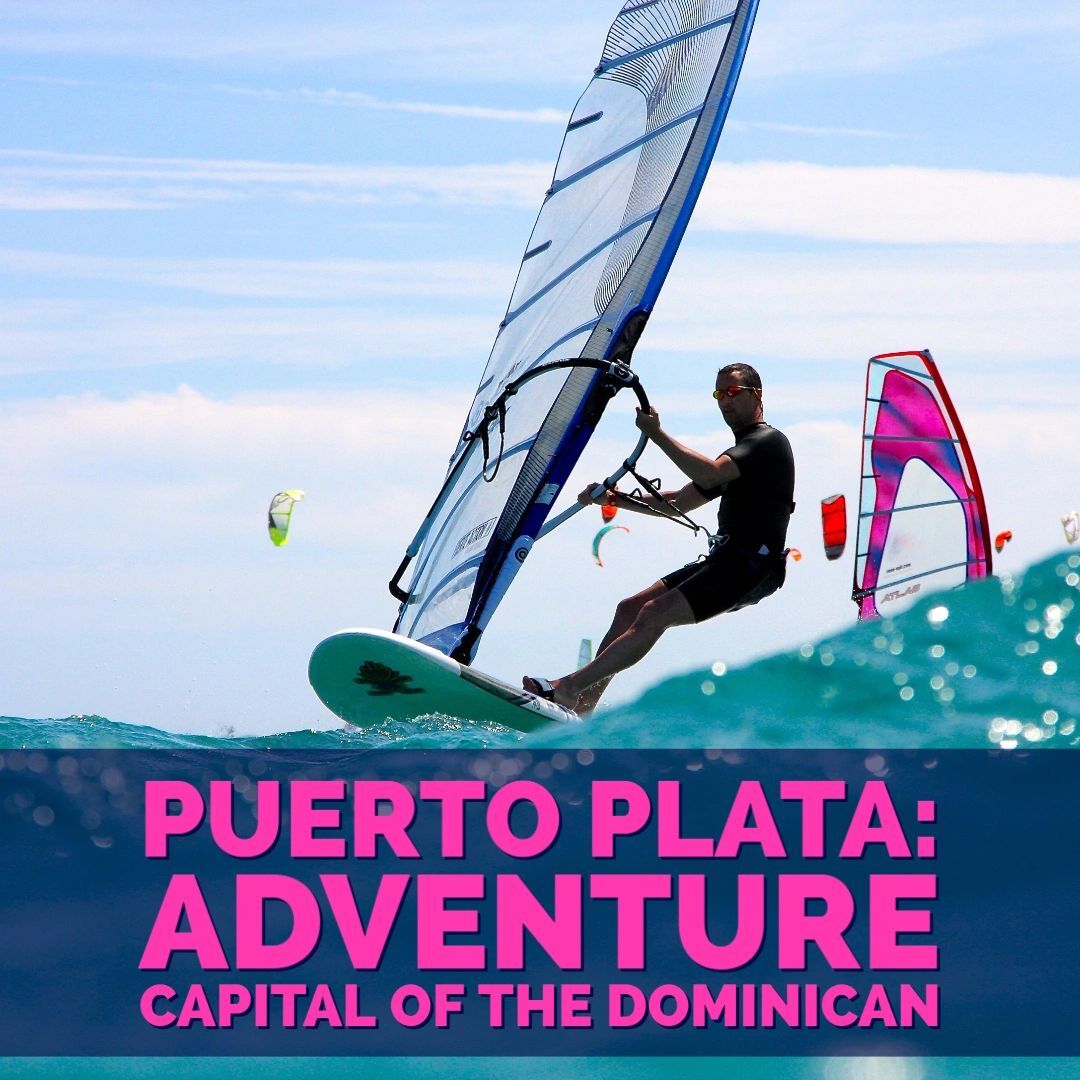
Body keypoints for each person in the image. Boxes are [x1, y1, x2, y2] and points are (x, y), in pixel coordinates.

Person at [524, 362, 794, 714]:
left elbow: (710, 475)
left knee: (654, 613)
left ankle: (568, 687)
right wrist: (615, 499)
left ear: (756, 394)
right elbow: (680, 502)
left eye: (733, 393)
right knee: (630, 609)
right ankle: (584, 708)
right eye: (718, 394)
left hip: (752, 566)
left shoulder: (767, 443)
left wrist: (656, 434)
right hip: (727, 560)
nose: (725, 402)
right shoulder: (740, 456)